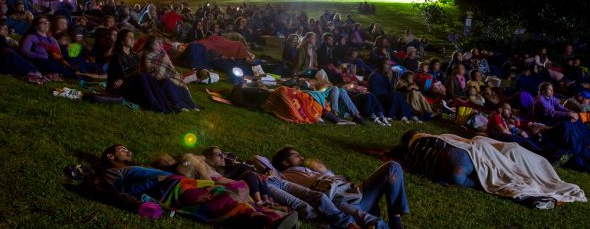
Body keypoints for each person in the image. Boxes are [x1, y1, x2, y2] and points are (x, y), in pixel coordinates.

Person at [96, 145, 298, 227]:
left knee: (232, 190)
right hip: (170, 188)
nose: (128, 151)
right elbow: (118, 191)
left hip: (180, 182)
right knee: (221, 200)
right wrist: (156, 182)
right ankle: (264, 221)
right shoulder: (113, 172)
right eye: (122, 150)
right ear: (111, 157)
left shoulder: (138, 167)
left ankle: (274, 217)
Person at [399, 131, 586, 207]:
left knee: (493, 184)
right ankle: (534, 193)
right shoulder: (427, 136)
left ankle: (529, 196)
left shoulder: (411, 155)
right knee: (499, 167)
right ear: (415, 134)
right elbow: (460, 141)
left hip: (453, 177)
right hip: (461, 158)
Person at [272, 146, 409, 229]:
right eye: (296, 156)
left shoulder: (310, 169)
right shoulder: (284, 176)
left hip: (354, 192)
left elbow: (334, 179)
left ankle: (395, 220)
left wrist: (323, 170)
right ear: (285, 162)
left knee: (393, 167)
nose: (301, 157)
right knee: (373, 222)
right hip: (336, 201)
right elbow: (261, 165)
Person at [140, 36, 199, 112]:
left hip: (168, 76)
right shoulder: (146, 55)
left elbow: (171, 67)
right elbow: (148, 71)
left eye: (160, 43)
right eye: (158, 43)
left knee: (180, 86)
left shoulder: (162, 53)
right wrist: (160, 75)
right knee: (167, 84)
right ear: (152, 45)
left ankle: (192, 105)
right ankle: (181, 105)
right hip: (156, 80)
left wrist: (174, 75)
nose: (160, 44)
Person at [368, 59, 418, 123]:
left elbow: (390, 89)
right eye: (387, 64)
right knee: (396, 95)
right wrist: (390, 93)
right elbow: (375, 92)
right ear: (380, 65)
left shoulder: (384, 76)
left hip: (385, 97)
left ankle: (405, 115)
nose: (390, 67)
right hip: (378, 99)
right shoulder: (375, 75)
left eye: (390, 65)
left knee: (397, 94)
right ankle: (407, 115)